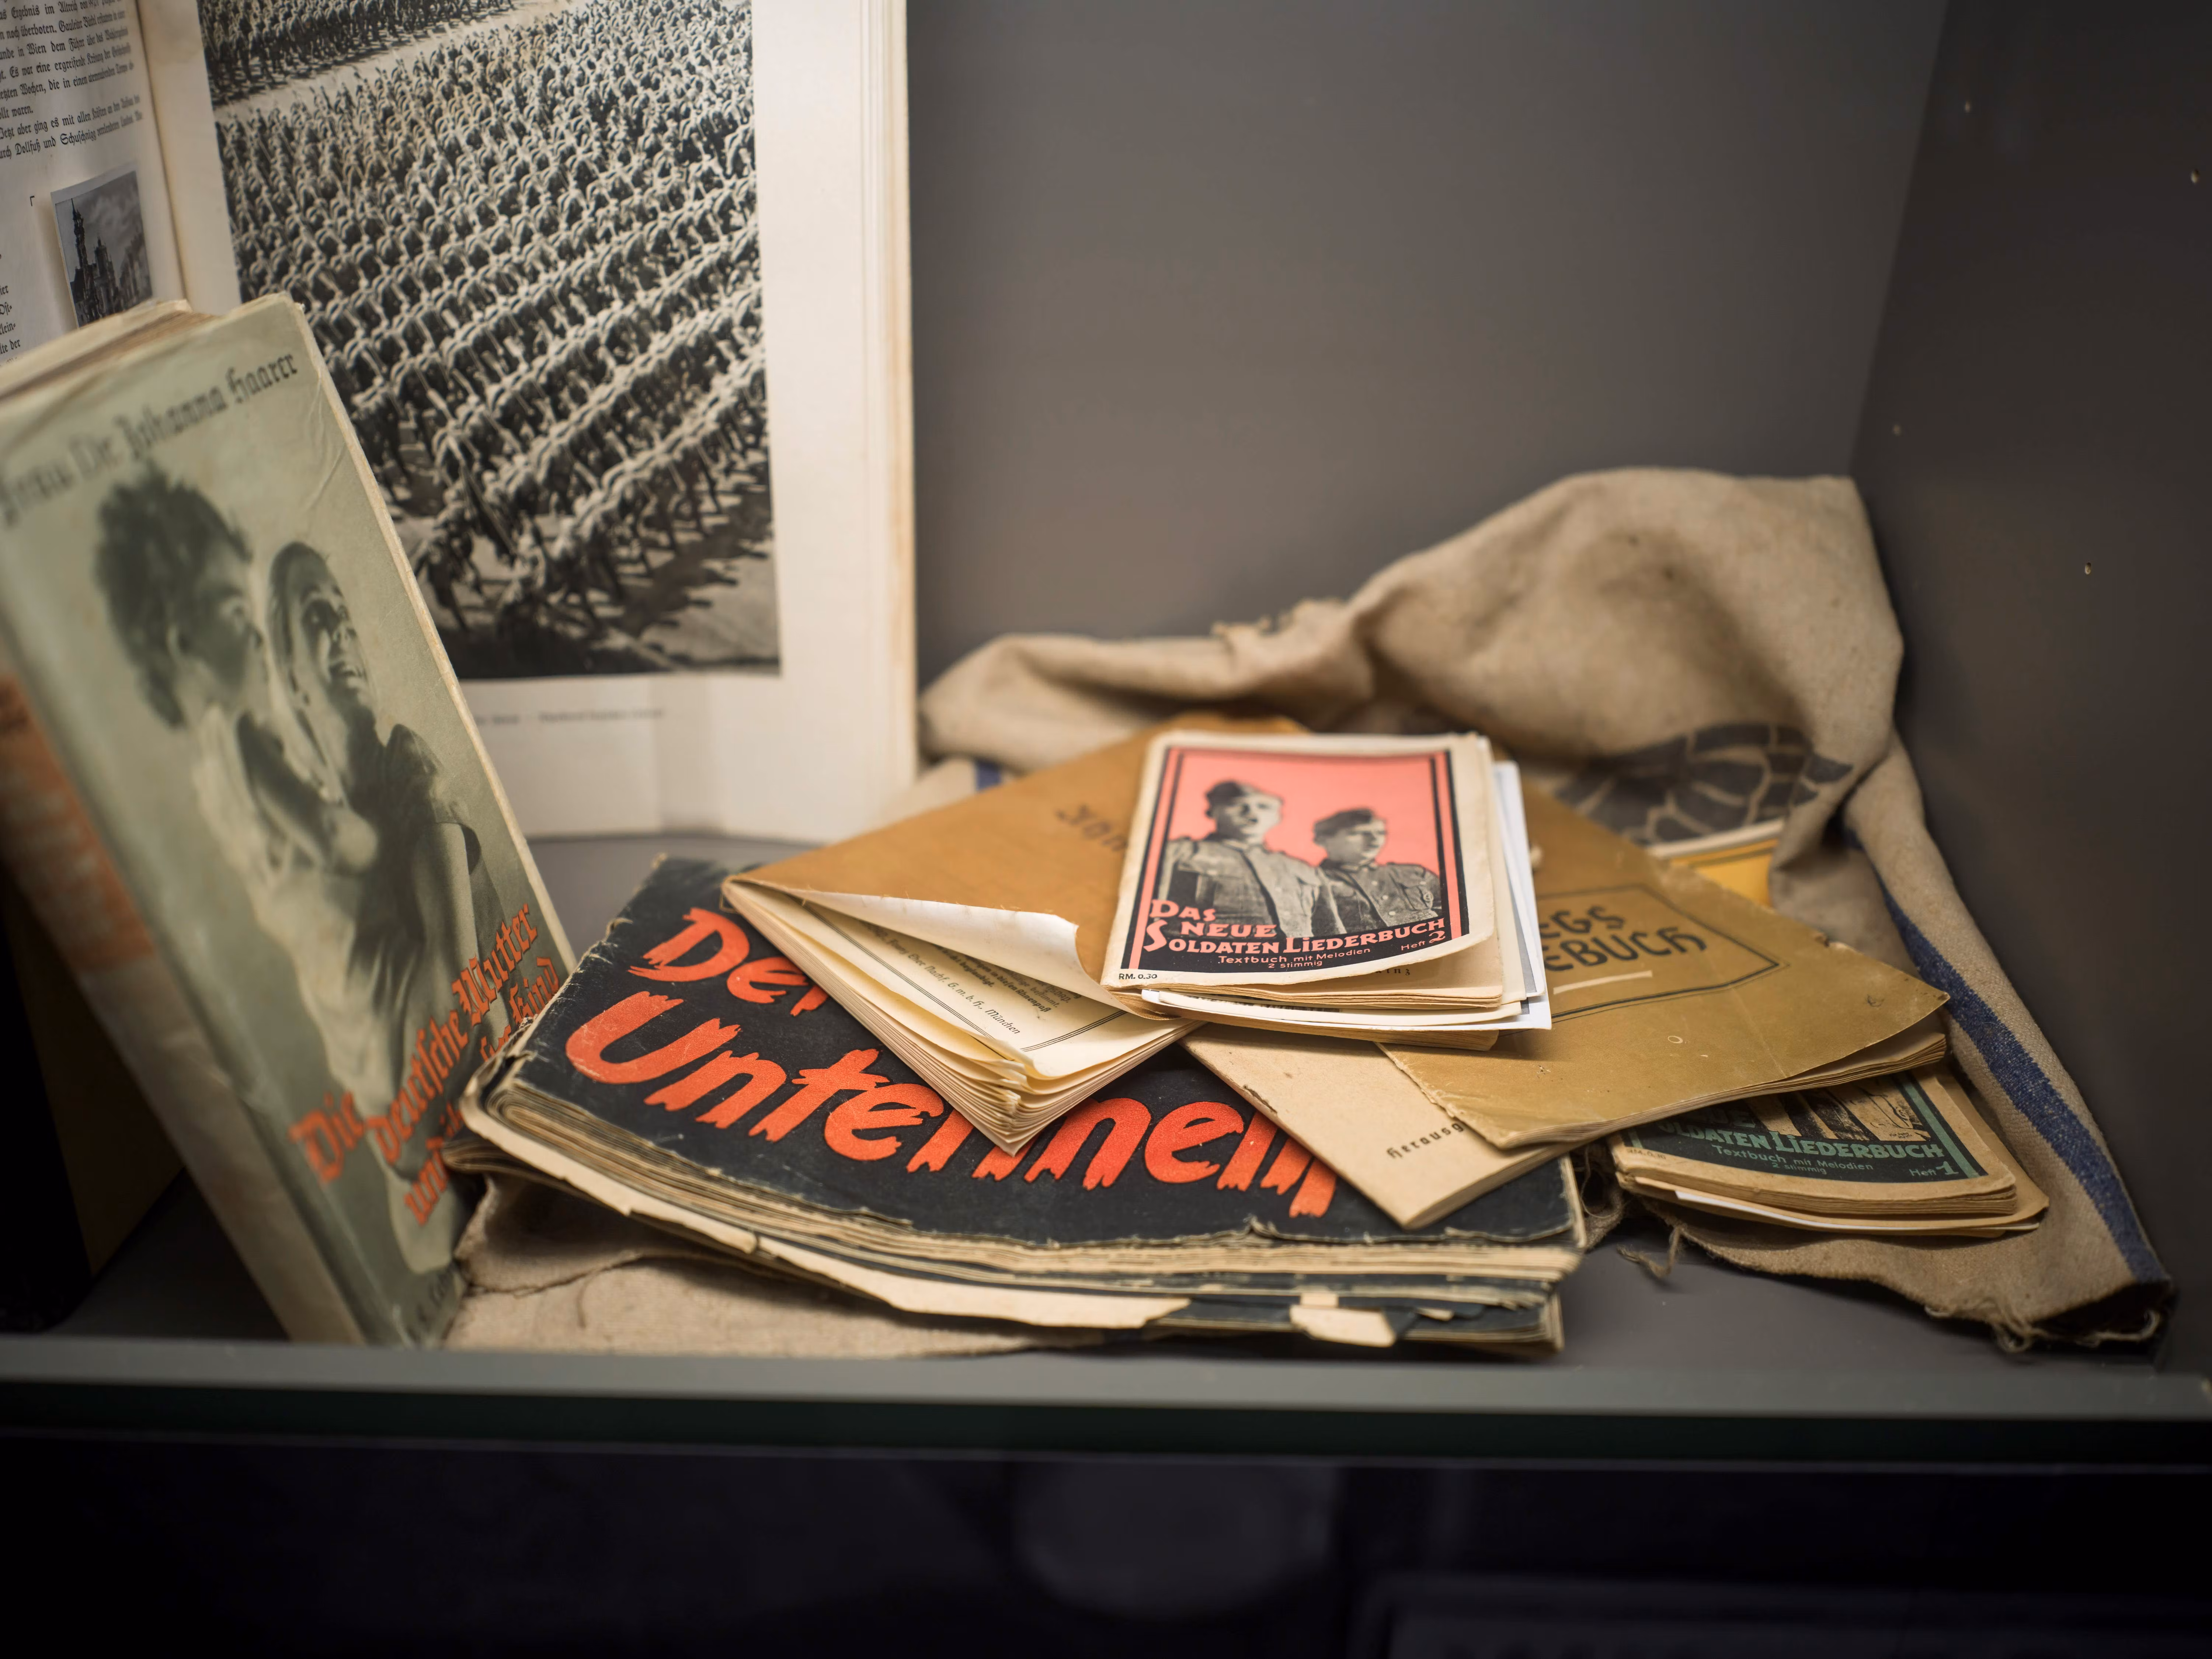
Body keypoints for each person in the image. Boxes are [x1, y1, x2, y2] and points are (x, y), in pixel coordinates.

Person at [1154, 780, 1342, 942]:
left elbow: (1332, 934)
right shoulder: (1178, 853)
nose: (1251, 812)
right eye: (1237, 805)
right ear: (1212, 812)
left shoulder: (1304, 870)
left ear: (1278, 817)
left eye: (1264, 806)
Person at [1312, 807, 1443, 931]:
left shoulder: (1416, 874)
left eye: (1381, 833)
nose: (1375, 839)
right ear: (1323, 840)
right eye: (1359, 833)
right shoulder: (1311, 882)